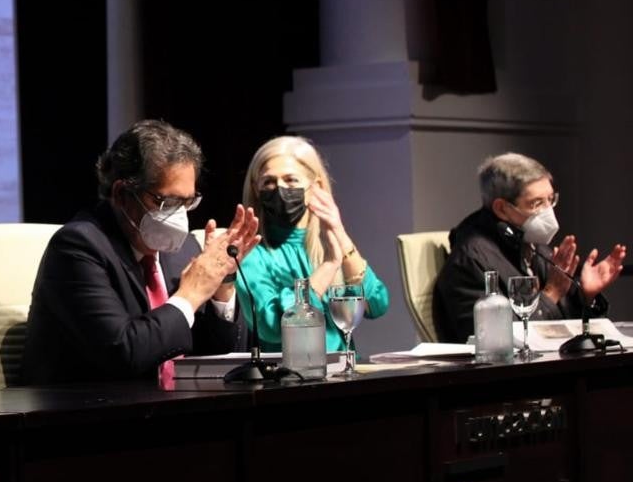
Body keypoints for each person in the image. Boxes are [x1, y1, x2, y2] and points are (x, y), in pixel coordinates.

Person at [22, 119, 260, 385]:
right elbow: (123, 352)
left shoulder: (182, 250)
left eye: (187, 202)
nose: (178, 214)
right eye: (166, 201)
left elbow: (219, 359)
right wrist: (189, 295)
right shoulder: (78, 249)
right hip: (92, 416)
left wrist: (221, 284)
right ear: (123, 194)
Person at [432, 153, 626, 344]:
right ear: (501, 208)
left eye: (551, 199)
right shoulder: (469, 260)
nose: (548, 211)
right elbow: (497, 341)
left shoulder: (533, 245)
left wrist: (585, 295)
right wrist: (551, 293)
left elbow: (561, 326)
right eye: (536, 203)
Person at [235, 136, 390, 353]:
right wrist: (328, 266)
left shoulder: (327, 243)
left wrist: (339, 233)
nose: (279, 189)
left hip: (342, 373)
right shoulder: (252, 252)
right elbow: (273, 325)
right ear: (256, 188)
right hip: (285, 378)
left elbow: (376, 304)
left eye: (291, 180)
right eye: (268, 182)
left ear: (315, 186)